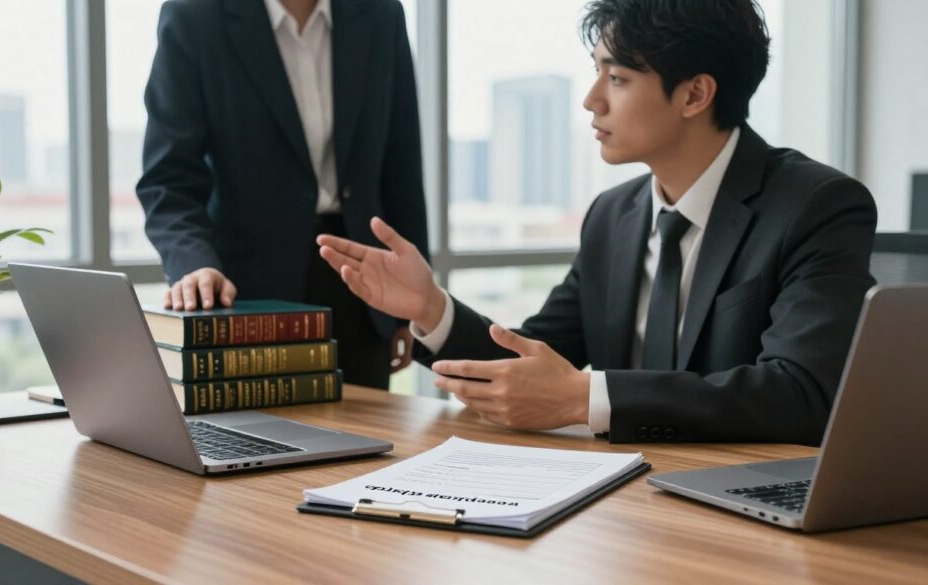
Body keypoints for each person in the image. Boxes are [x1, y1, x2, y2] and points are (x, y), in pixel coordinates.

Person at [316, 0, 877, 443]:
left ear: (695, 94)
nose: (590, 101)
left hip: (740, 509)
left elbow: (800, 393)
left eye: (618, 79)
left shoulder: (816, 206)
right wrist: (431, 309)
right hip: (620, 507)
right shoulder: (615, 216)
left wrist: (586, 398)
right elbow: (533, 363)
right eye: (595, 74)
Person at [137, 0, 428, 390]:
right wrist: (193, 263)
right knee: (252, 444)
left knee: (370, 443)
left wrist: (413, 306)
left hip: (361, 284)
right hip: (244, 293)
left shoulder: (381, 13)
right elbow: (168, 177)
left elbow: (402, 167)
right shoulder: (195, 16)